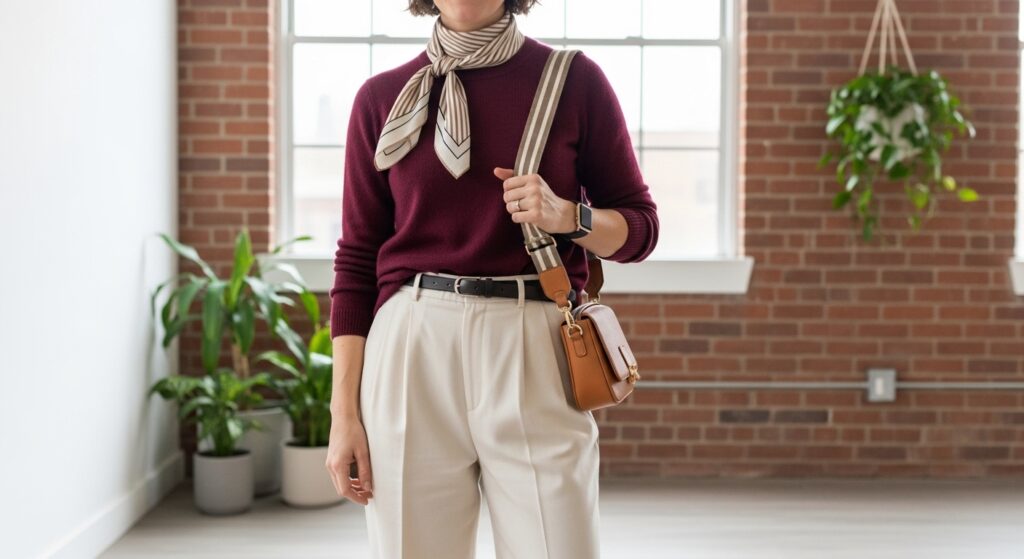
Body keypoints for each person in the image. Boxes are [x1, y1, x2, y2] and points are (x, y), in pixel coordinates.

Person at [325, 0, 659, 557]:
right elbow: (356, 260)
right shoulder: (381, 98)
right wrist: (343, 416)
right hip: (411, 344)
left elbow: (640, 231)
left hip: (532, 338)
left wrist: (567, 216)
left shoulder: (573, 82)